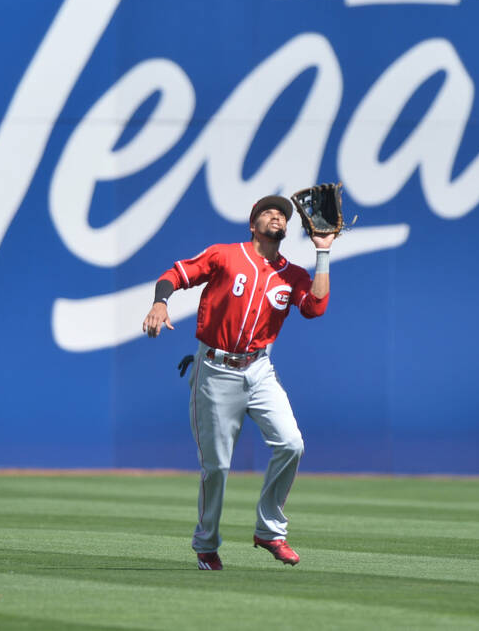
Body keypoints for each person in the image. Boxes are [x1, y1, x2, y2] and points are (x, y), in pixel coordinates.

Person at [141, 194, 336, 571]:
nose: (277, 216)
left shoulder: (291, 274)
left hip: (259, 369)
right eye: (269, 211)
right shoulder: (225, 255)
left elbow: (315, 308)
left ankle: (270, 531)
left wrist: (323, 252)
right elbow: (175, 275)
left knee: (291, 444)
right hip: (215, 369)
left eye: (283, 214)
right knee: (216, 466)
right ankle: (206, 544)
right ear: (253, 223)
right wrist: (160, 302)